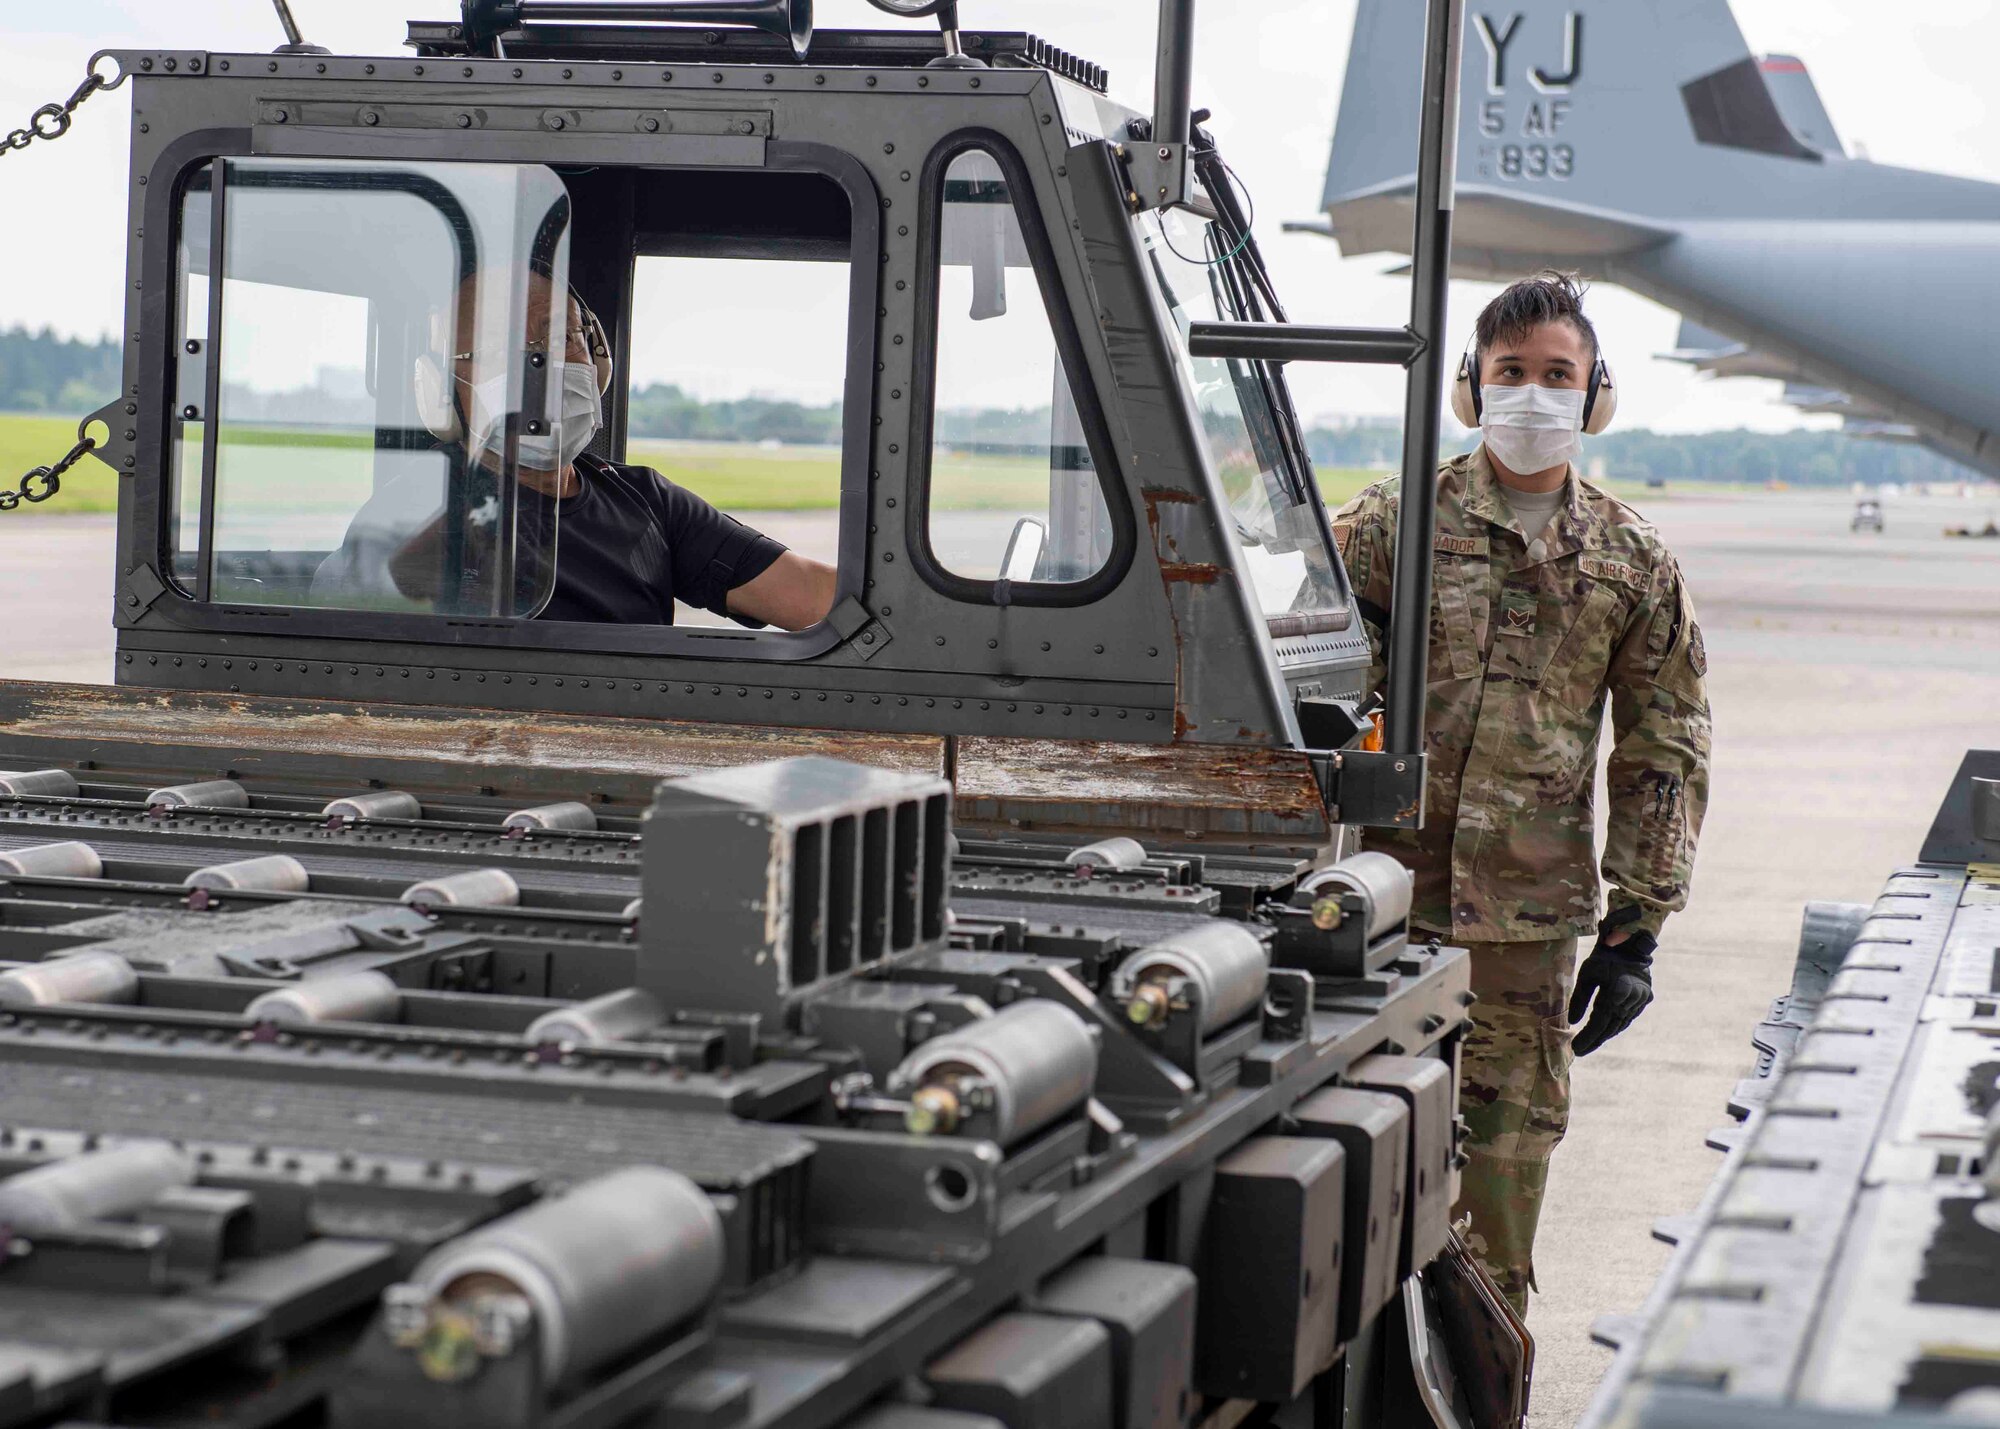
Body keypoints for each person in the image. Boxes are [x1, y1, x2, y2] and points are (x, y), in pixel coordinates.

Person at [1331, 271, 1712, 1315]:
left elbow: (1662, 749)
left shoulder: (1632, 561)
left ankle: (1480, 1388)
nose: (1534, 395)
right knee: (1346, 1183)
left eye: (1557, 374)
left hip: (1524, 932)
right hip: (1375, 907)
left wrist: (1636, 932)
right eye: (1511, 373)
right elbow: (1306, 687)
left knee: (1495, 1199)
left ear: (1594, 396)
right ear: (1471, 387)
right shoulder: (1389, 526)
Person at [317, 270, 836, 631]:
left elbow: (806, 594)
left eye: (562, 336)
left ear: (598, 363)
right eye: (499, 348)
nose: (538, 364)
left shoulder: (644, 499)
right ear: (443, 387)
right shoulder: (413, 506)